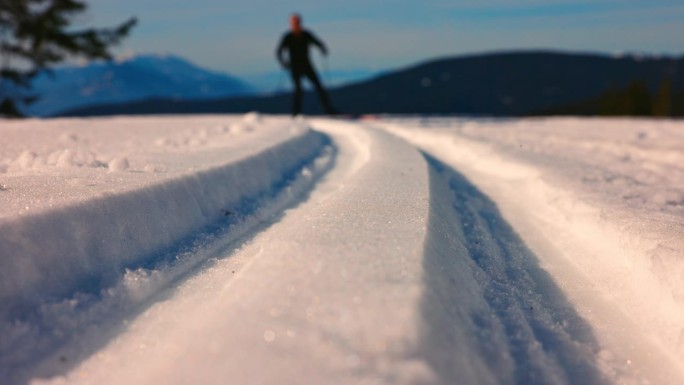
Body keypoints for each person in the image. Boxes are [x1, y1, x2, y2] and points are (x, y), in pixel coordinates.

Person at [276, 13, 336, 116]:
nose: (296, 24)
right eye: (294, 22)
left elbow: (318, 42)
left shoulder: (304, 34)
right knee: (299, 90)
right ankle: (296, 113)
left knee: (318, 87)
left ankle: (328, 110)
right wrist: (283, 63)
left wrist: (322, 48)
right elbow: (279, 51)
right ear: (291, 24)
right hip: (295, 67)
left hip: (306, 65)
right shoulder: (289, 37)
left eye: (297, 22)